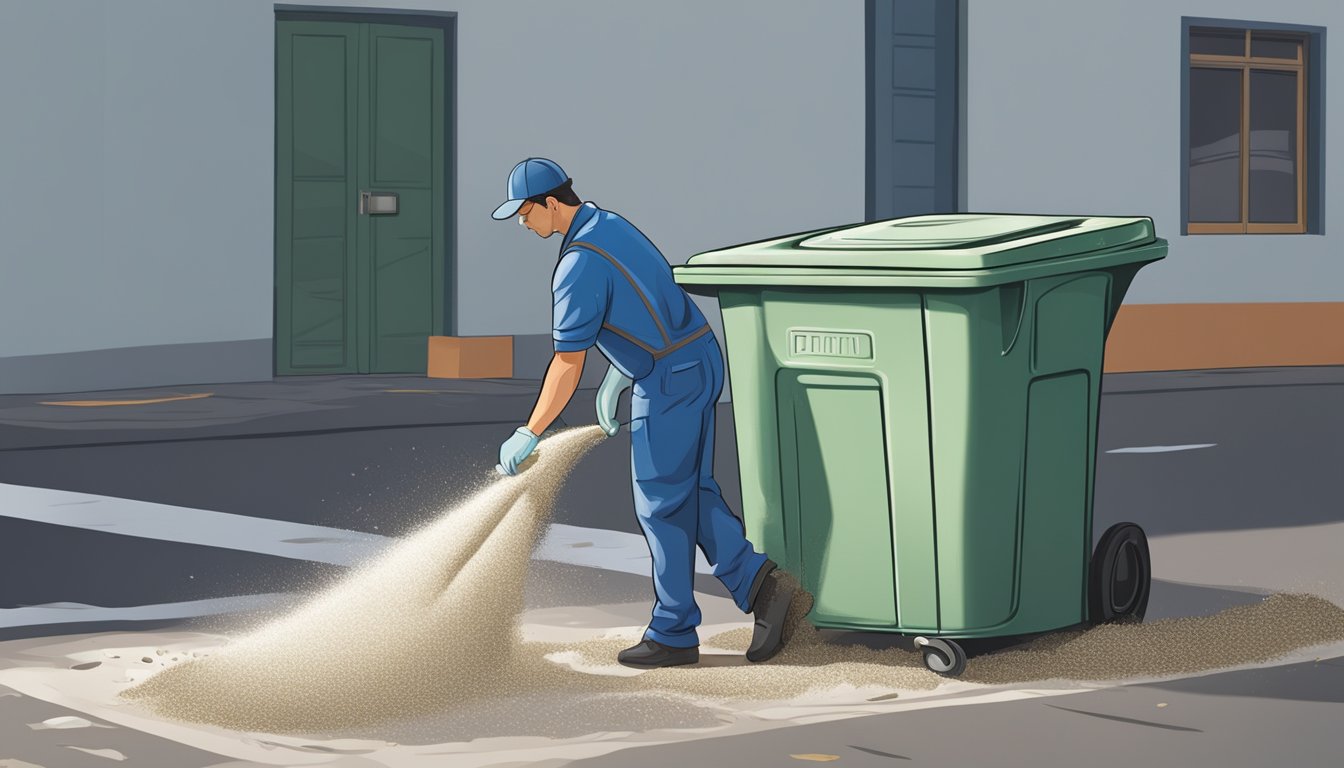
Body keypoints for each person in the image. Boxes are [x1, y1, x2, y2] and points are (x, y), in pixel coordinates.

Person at [491, 157, 796, 668]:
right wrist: (620, 373)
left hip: (667, 379)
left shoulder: (576, 264)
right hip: (695, 357)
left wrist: (531, 430)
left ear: (548, 203)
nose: (523, 224)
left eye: (524, 213)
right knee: (691, 491)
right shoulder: (608, 224)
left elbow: (567, 363)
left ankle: (674, 633)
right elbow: (642, 300)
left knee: (661, 504)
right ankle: (763, 587)